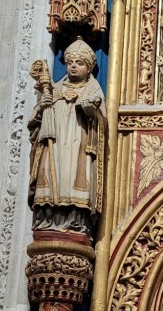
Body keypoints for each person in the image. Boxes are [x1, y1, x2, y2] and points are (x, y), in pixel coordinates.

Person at [28, 37, 106, 237]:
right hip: (53, 142)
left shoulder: (93, 89)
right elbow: (35, 122)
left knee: (73, 178)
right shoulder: (54, 89)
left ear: (89, 68)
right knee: (49, 176)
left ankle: (75, 219)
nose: (73, 67)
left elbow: (101, 122)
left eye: (79, 63)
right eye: (70, 63)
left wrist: (90, 109)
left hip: (77, 144)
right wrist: (43, 106)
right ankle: (47, 217)